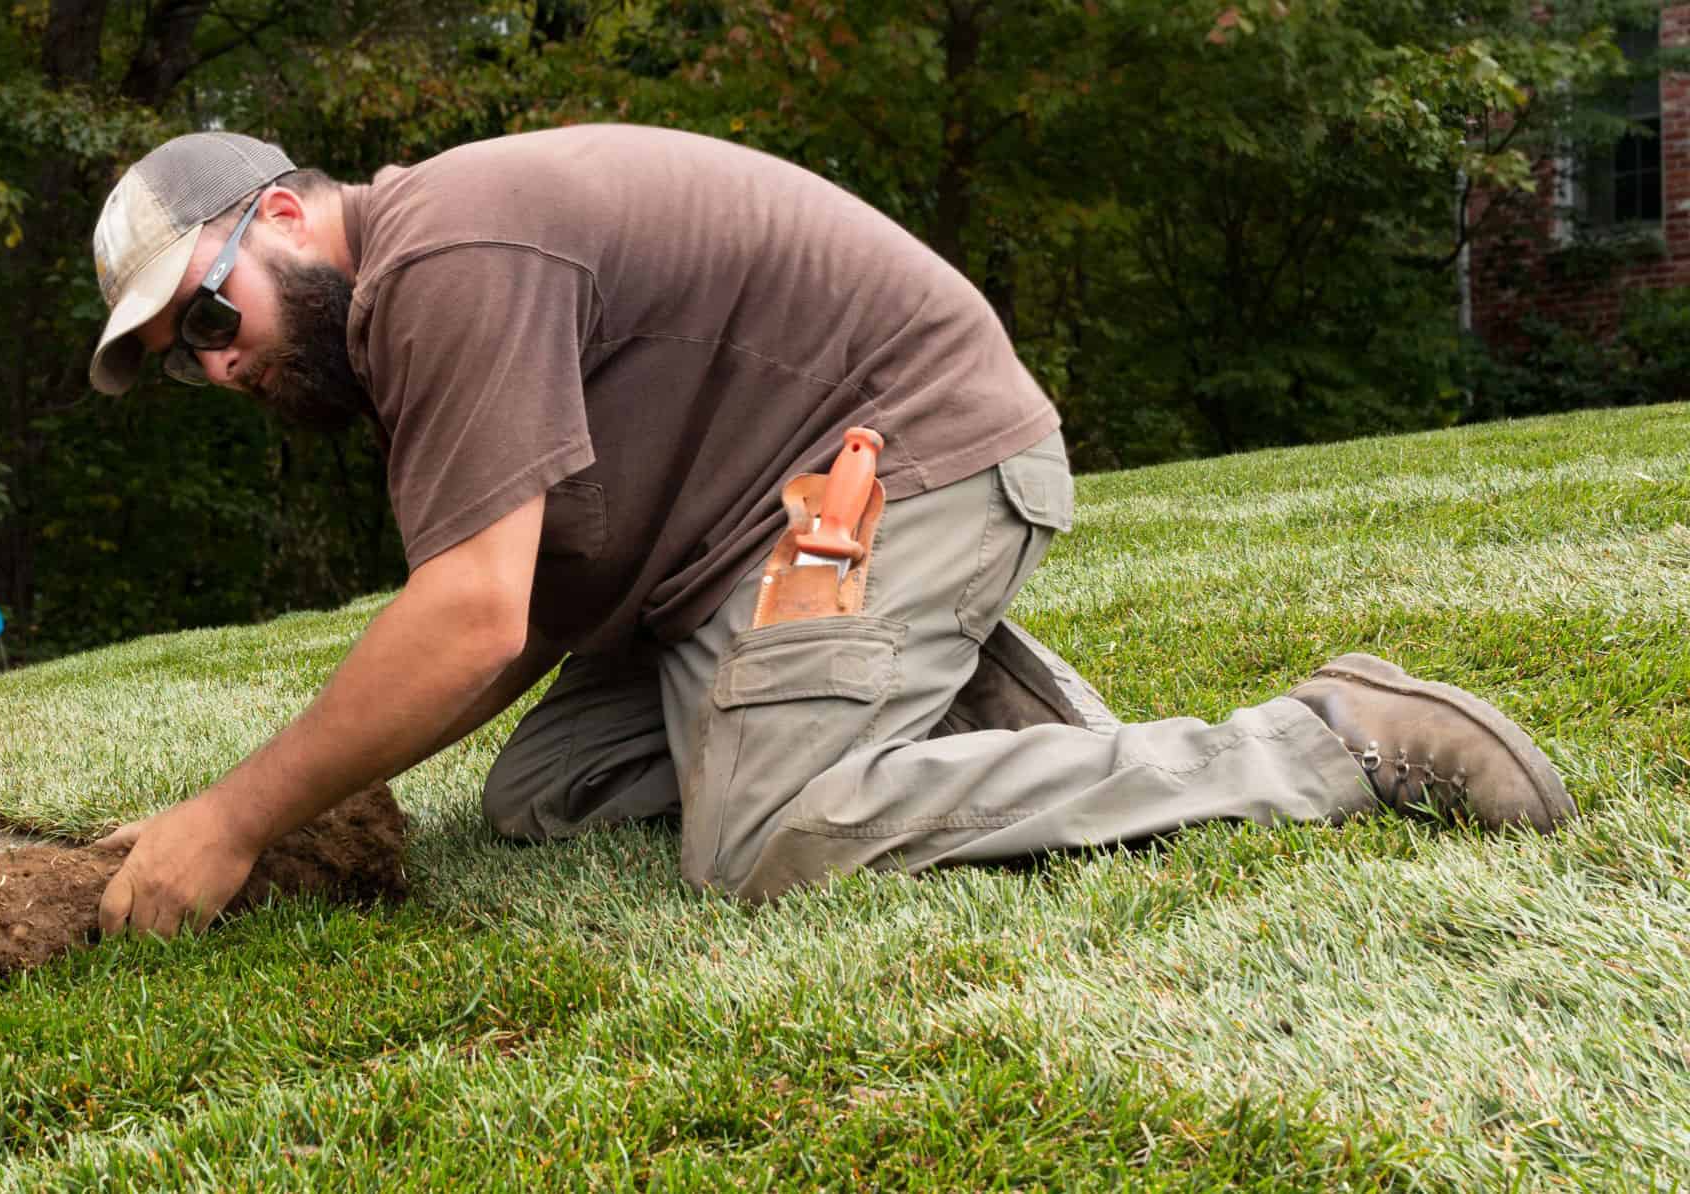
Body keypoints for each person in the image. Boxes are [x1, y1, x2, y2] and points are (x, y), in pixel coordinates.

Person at [77, 126, 1575, 936]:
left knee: (770, 842)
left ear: (282, 215)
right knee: (545, 795)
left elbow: (466, 610)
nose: (217, 360)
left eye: (210, 312)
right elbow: (520, 620)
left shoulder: (450, 252)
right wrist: (275, 793)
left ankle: (1325, 739)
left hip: (884, 477)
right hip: (749, 550)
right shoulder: (416, 306)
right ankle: (946, 697)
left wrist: (233, 816)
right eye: (179, 359)